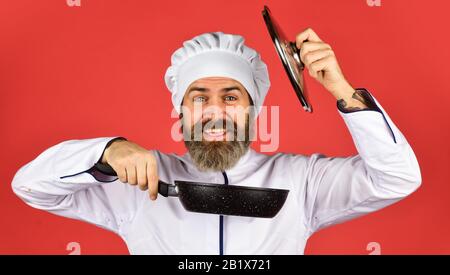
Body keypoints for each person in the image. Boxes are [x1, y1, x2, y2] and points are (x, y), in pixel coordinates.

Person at [12, 29, 421, 254]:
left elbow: (397, 178)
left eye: (230, 97)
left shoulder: (302, 180)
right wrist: (105, 151)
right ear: (181, 111)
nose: (214, 111)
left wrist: (342, 89)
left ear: (252, 109)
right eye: (199, 97)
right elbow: (30, 186)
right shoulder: (136, 180)